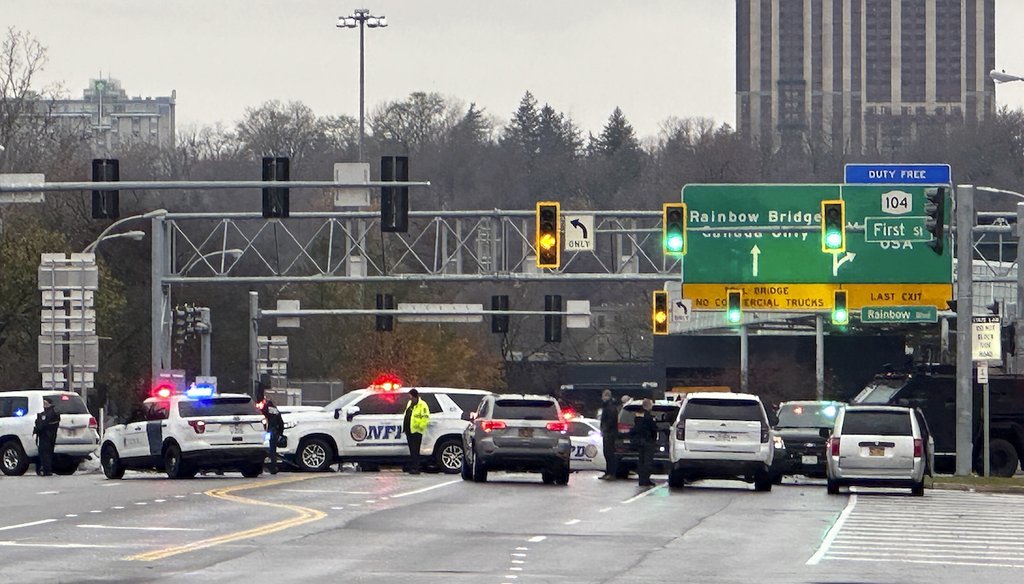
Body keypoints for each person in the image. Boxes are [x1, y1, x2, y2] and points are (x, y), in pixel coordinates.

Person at [402, 389, 430, 474]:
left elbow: (425, 417)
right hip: (409, 430)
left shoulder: (422, 404)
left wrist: (420, 427)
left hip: (417, 431)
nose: (409, 397)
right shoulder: (410, 403)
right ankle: (413, 467)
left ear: (414, 395)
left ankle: (416, 468)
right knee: (412, 450)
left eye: (410, 395)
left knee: (415, 450)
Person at [633, 398, 658, 487]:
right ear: (648, 406)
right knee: (647, 461)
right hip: (648, 441)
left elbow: (636, 428)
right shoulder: (649, 417)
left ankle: (642, 479)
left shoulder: (638, 415)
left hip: (640, 441)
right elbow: (653, 429)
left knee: (641, 460)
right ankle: (646, 479)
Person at [32, 398, 61, 477]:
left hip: (46, 435)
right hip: (48, 436)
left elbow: (42, 424)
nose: (44, 405)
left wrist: (37, 428)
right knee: (46, 452)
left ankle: (46, 470)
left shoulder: (50, 413)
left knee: (45, 453)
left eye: (46, 403)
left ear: (50, 404)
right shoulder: (50, 413)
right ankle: (46, 469)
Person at [260, 398, 285, 474]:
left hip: (265, 432)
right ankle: (273, 467)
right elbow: (281, 423)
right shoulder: (276, 411)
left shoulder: (264, 410)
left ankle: (262, 467)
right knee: (272, 450)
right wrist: (280, 433)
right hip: (274, 432)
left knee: (263, 448)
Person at [598, 389, 619, 480]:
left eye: (604, 396)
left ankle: (611, 473)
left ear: (607, 396)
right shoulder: (607, 406)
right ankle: (608, 472)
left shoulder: (610, 407)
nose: (602, 398)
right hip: (608, 433)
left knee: (609, 453)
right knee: (607, 453)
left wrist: (605, 429)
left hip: (610, 434)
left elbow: (610, 421)